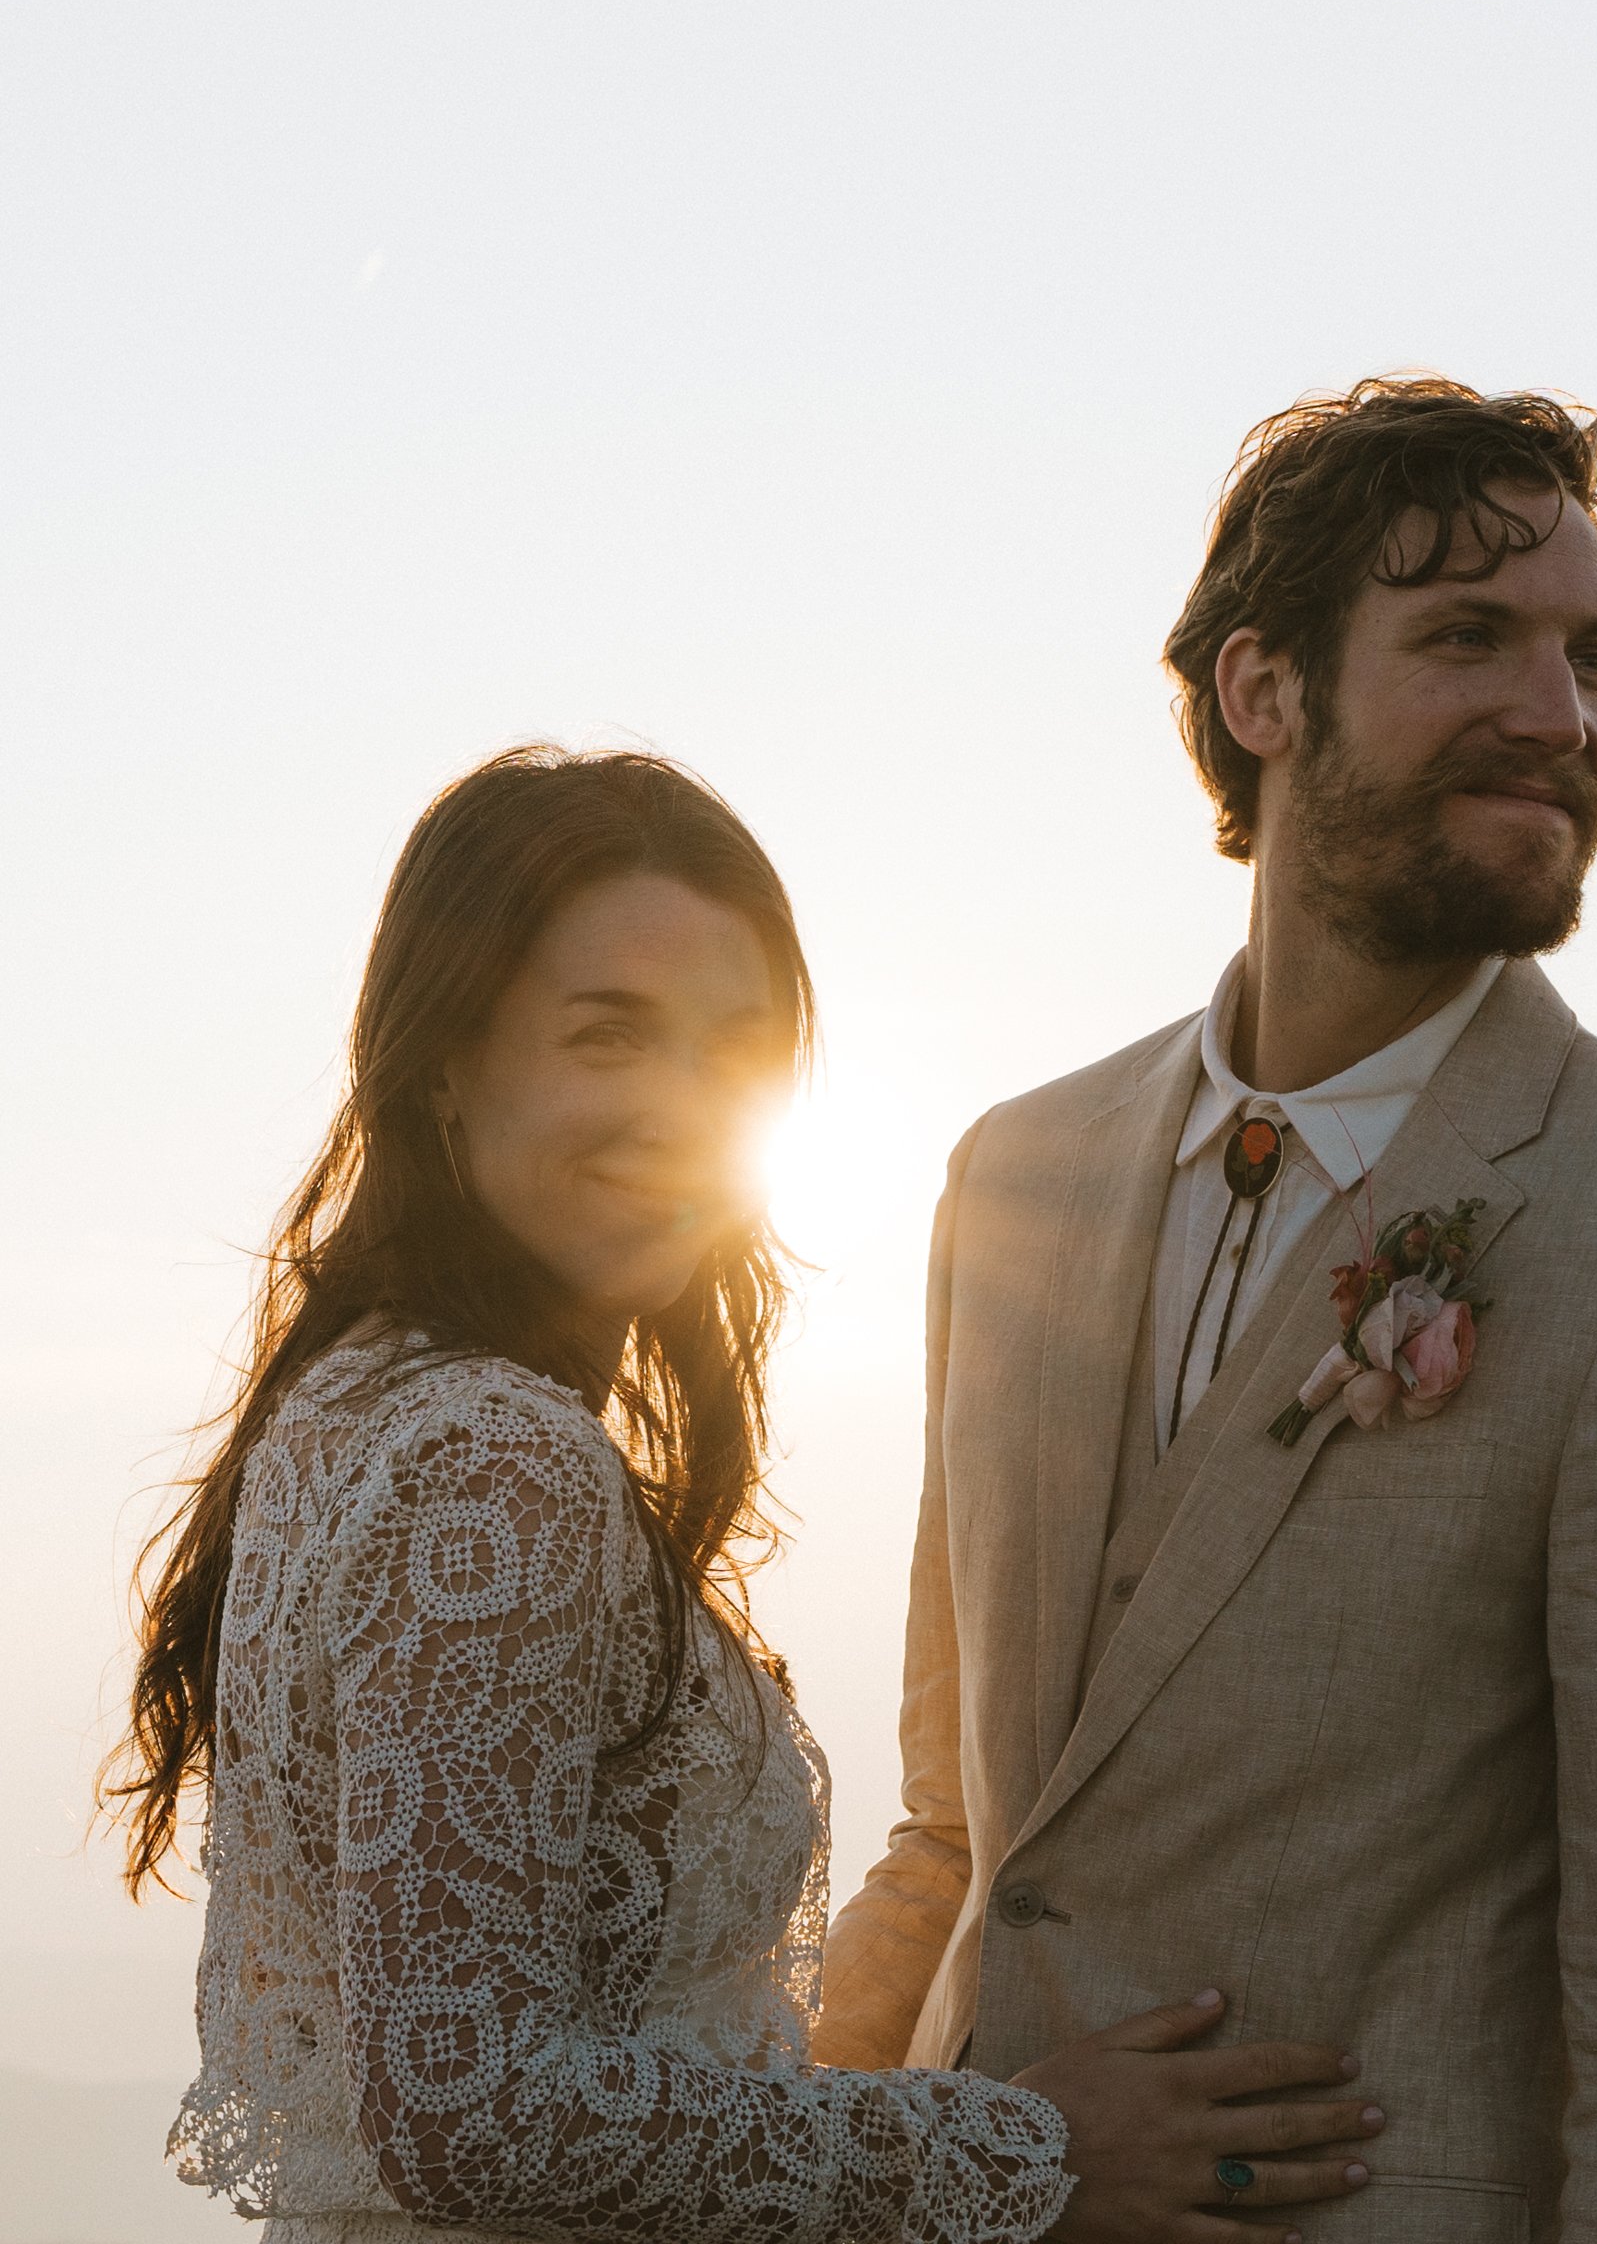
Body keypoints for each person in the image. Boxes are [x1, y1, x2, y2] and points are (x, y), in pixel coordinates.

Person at [106, 747, 1384, 2244]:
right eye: (608, 1036)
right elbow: (469, 2107)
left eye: (735, 1054)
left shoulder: (352, 1404)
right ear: (444, 1059)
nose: (680, 1112)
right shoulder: (491, 1461)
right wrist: (1022, 2153)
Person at [814, 378, 1597, 2239]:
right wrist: (822, 2169)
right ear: (1264, 695)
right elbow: (963, 1838)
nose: (1563, 716)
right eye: (1470, 640)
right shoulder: (1005, 1179)